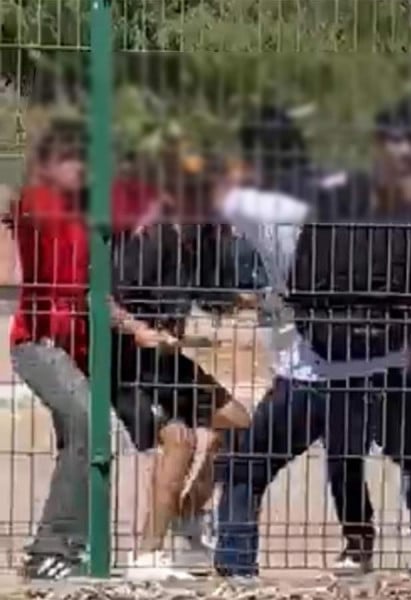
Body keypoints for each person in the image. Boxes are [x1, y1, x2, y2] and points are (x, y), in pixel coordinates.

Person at [213, 101, 411, 577]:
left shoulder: (268, 207)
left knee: (246, 468)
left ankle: (235, 568)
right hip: (386, 365)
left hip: (309, 368)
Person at [110, 155, 251, 580]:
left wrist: (253, 302)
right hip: (127, 364)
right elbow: (103, 298)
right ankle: (146, 556)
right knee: (180, 441)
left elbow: (213, 298)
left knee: (241, 423)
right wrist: (139, 330)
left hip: (168, 363)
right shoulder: (152, 239)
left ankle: (189, 515)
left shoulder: (204, 240)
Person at [9, 119, 92, 580]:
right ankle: (51, 548)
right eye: (72, 158)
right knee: (89, 424)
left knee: (80, 439)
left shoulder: (88, 210)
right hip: (37, 343)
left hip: (75, 347)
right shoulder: (37, 200)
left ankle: (72, 545)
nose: (82, 166)